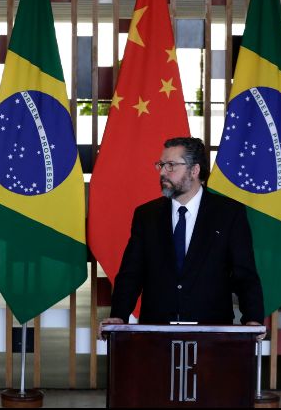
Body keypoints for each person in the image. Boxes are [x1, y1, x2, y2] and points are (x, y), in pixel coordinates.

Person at [101, 137, 264, 333]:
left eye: (171, 166)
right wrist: (119, 315)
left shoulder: (229, 214)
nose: (162, 172)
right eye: (161, 165)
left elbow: (244, 274)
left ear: (194, 170)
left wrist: (252, 320)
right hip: (156, 333)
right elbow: (131, 274)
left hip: (212, 334)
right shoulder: (146, 215)